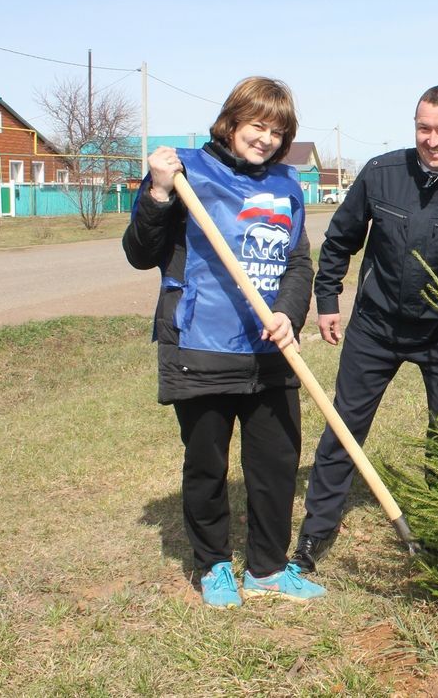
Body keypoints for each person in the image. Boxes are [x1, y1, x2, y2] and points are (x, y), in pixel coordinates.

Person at [122, 76, 325, 607]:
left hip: (270, 348)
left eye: (277, 132)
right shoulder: (188, 172)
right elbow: (141, 254)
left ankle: (267, 567)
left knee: (277, 461)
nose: (266, 139)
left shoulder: (286, 184)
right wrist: (160, 191)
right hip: (202, 344)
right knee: (207, 461)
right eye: (257, 126)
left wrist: (288, 312)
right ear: (232, 122)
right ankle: (213, 563)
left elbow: (299, 262)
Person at [295, 84, 438, 572]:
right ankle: (313, 537)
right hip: (375, 326)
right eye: (423, 128)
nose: (432, 140)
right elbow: (341, 238)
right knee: (343, 428)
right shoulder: (382, 173)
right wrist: (328, 299)